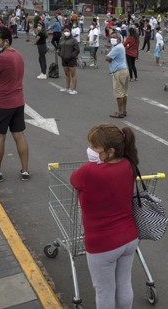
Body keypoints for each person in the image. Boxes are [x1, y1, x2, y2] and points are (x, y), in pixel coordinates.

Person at [70, 123, 139, 309]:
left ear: (110, 151)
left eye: (95, 148)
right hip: (129, 238)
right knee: (124, 284)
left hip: (102, 245)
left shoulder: (88, 172)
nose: (91, 150)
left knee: (105, 291)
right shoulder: (128, 164)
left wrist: (94, 164)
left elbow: (73, 180)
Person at [0, 26, 30, 182]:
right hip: (18, 102)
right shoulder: (18, 55)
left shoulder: (1, 58)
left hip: (2, 104)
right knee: (19, 135)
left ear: (6, 41)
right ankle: (25, 170)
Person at [106, 32, 130, 118]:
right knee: (124, 92)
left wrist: (110, 59)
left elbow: (107, 58)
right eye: (111, 37)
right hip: (124, 70)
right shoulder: (120, 46)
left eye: (113, 38)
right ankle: (124, 111)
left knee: (119, 93)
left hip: (119, 71)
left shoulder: (117, 48)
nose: (111, 39)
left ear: (119, 39)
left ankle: (120, 112)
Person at [58, 26, 80, 95]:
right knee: (67, 74)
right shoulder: (62, 39)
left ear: (70, 32)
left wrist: (72, 56)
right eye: (65, 31)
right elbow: (59, 47)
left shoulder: (73, 40)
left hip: (71, 59)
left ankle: (74, 89)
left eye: (67, 31)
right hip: (64, 59)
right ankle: (67, 87)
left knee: (72, 74)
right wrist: (60, 53)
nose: (66, 32)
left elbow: (77, 50)